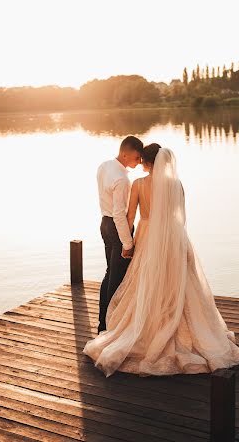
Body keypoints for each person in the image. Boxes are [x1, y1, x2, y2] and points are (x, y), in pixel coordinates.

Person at [83, 144, 239, 377]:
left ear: (147, 163)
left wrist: (126, 245)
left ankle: (148, 326)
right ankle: (180, 324)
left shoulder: (139, 184)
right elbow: (180, 215)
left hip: (149, 237)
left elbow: (130, 217)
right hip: (174, 237)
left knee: (148, 281)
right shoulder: (177, 185)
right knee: (179, 282)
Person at [96, 135, 143, 334]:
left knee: (109, 274)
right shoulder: (122, 179)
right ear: (126, 153)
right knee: (117, 279)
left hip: (104, 224)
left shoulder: (104, 166)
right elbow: (119, 214)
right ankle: (109, 326)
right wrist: (128, 243)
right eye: (136, 157)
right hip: (117, 229)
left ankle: (103, 324)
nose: (139, 162)